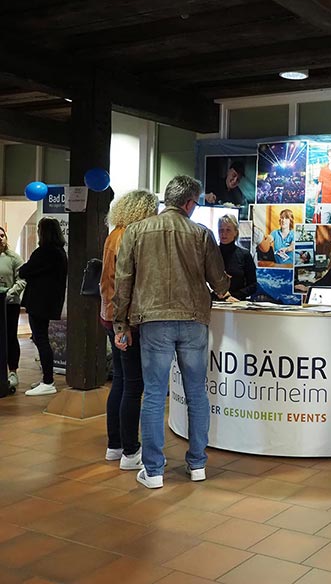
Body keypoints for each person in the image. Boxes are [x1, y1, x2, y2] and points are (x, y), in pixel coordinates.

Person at [114, 175, 230, 489]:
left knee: (153, 395)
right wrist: (224, 286)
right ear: (190, 203)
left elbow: (123, 282)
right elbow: (219, 283)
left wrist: (120, 325)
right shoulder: (201, 234)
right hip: (194, 320)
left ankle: (153, 471)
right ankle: (197, 465)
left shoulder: (136, 231)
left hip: (152, 321)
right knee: (196, 393)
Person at [100, 190, 158, 469]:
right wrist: (125, 324)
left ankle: (116, 445)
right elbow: (125, 284)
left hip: (111, 316)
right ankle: (131, 451)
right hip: (124, 319)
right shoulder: (129, 237)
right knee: (133, 385)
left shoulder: (114, 234)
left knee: (122, 382)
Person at [19, 217, 67, 396]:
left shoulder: (44, 252)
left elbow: (24, 271)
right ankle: (47, 379)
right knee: (42, 339)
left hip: (39, 303)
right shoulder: (59, 252)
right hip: (49, 303)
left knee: (41, 339)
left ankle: (48, 381)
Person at [0, 226, 25, 393]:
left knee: (10, 336)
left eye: (2, 235)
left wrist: (11, 292)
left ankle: (13, 371)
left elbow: (22, 279)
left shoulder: (14, 258)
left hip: (10, 304)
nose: (0, 238)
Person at [214, 214, 257, 302]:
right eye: (221, 230)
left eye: (228, 230)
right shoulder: (211, 254)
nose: (224, 233)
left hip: (236, 303)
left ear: (236, 232)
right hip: (213, 303)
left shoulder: (244, 255)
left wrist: (235, 295)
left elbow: (253, 285)